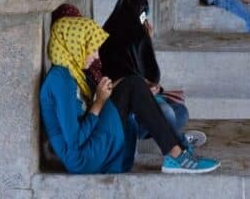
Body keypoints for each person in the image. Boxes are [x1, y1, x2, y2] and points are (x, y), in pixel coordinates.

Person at [40, 16, 218, 174]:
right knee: (133, 85)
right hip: (81, 158)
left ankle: (178, 149)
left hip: (88, 148)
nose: (95, 56)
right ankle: (176, 154)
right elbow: (75, 140)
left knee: (134, 84)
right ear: (74, 45)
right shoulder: (60, 80)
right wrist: (99, 103)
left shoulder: (73, 73)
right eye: (91, 48)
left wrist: (112, 90)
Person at [99, 0, 208, 154]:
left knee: (182, 112)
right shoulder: (108, 40)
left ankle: (166, 137)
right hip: (127, 109)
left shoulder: (136, 36)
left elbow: (150, 76)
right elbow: (123, 84)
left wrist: (147, 41)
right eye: (142, 16)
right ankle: (180, 144)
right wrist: (143, 89)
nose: (143, 21)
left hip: (141, 99)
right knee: (167, 112)